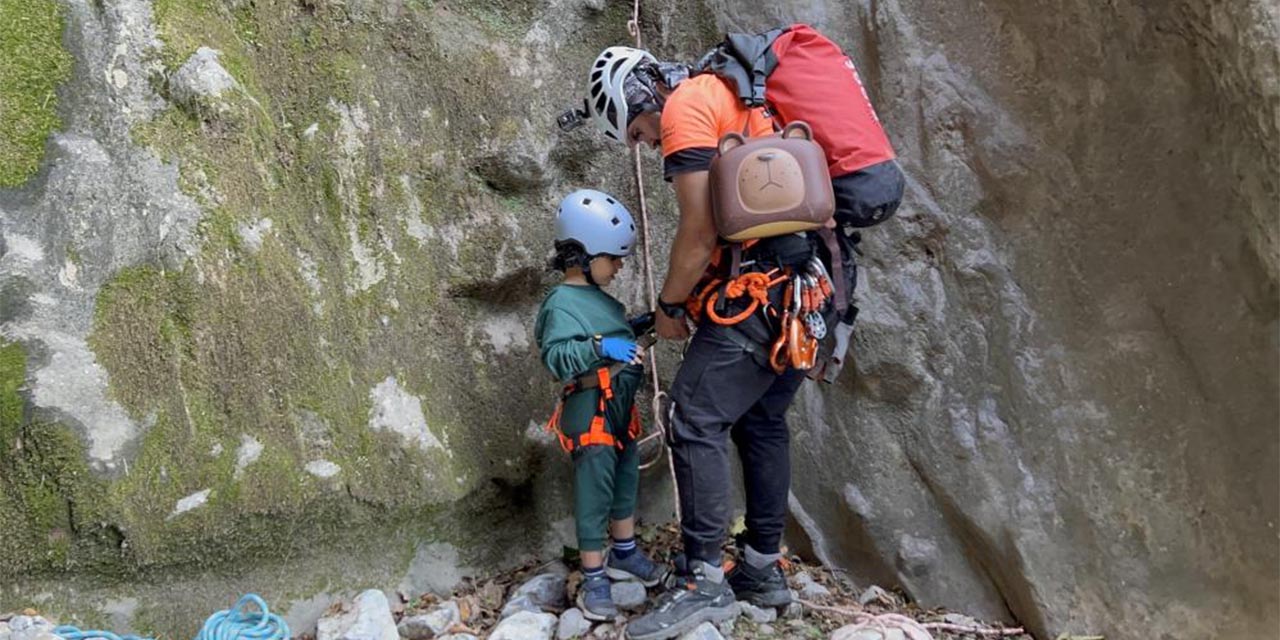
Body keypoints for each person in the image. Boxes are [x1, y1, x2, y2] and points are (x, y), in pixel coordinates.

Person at [571, 32, 903, 640]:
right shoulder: (737, 95)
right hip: (816, 287)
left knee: (693, 417)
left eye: (637, 131)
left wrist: (670, 306)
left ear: (636, 95)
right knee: (761, 420)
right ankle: (760, 570)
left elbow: (699, 233)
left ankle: (703, 583)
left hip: (764, 293)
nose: (646, 144)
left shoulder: (687, 106)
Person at [534, 189, 668, 622]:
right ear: (584, 256)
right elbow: (556, 356)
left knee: (625, 477)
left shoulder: (603, 301)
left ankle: (624, 552)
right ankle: (593, 576)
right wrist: (599, 346)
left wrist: (636, 327)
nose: (620, 266)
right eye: (613, 258)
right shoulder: (560, 303)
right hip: (590, 408)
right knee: (594, 490)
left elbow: (612, 330)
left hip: (619, 409)